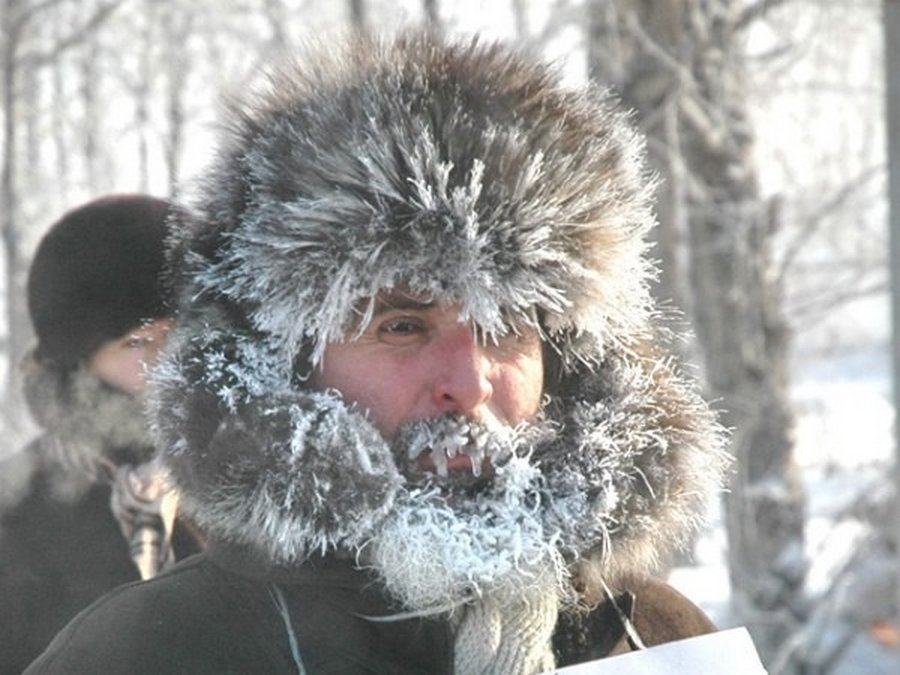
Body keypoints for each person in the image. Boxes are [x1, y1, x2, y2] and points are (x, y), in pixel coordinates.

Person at [27, 33, 729, 674]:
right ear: (287, 363)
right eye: (401, 326)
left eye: (510, 323)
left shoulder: (657, 632)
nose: (469, 383)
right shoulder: (144, 654)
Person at [0, 195, 202, 674]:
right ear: (77, 364)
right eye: (139, 342)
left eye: (188, 332)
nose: (174, 362)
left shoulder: (269, 489)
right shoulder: (16, 519)